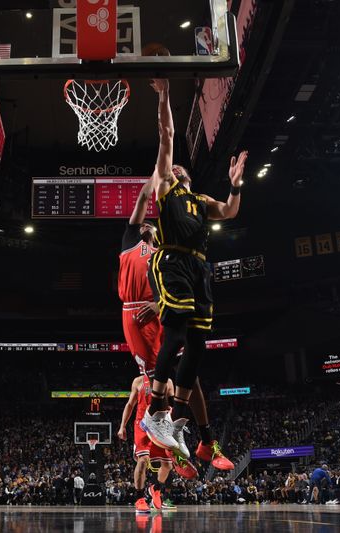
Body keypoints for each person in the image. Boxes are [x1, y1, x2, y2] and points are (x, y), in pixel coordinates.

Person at [140, 77, 247, 461]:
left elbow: (231, 211)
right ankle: (154, 413)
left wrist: (235, 185)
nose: (178, 167)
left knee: (199, 346)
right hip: (173, 261)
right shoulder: (166, 188)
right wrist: (167, 93)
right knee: (176, 330)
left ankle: (173, 417)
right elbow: (166, 134)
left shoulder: (200, 199)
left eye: (182, 168)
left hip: (201, 270)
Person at [121, 128, 234, 474]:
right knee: (159, 378)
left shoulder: (164, 250)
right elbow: (142, 202)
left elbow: (168, 280)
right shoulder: (131, 238)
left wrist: (159, 303)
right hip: (134, 315)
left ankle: (197, 441)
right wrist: (154, 177)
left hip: (162, 306)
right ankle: (176, 443)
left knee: (190, 373)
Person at [118, 374, 177, 513]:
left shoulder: (168, 381)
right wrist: (122, 426)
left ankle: (155, 489)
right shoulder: (138, 381)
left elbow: (173, 406)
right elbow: (130, 404)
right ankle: (140, 498)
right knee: (143, 460)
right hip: (142, 425)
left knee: (168, 465)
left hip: (161, 425)